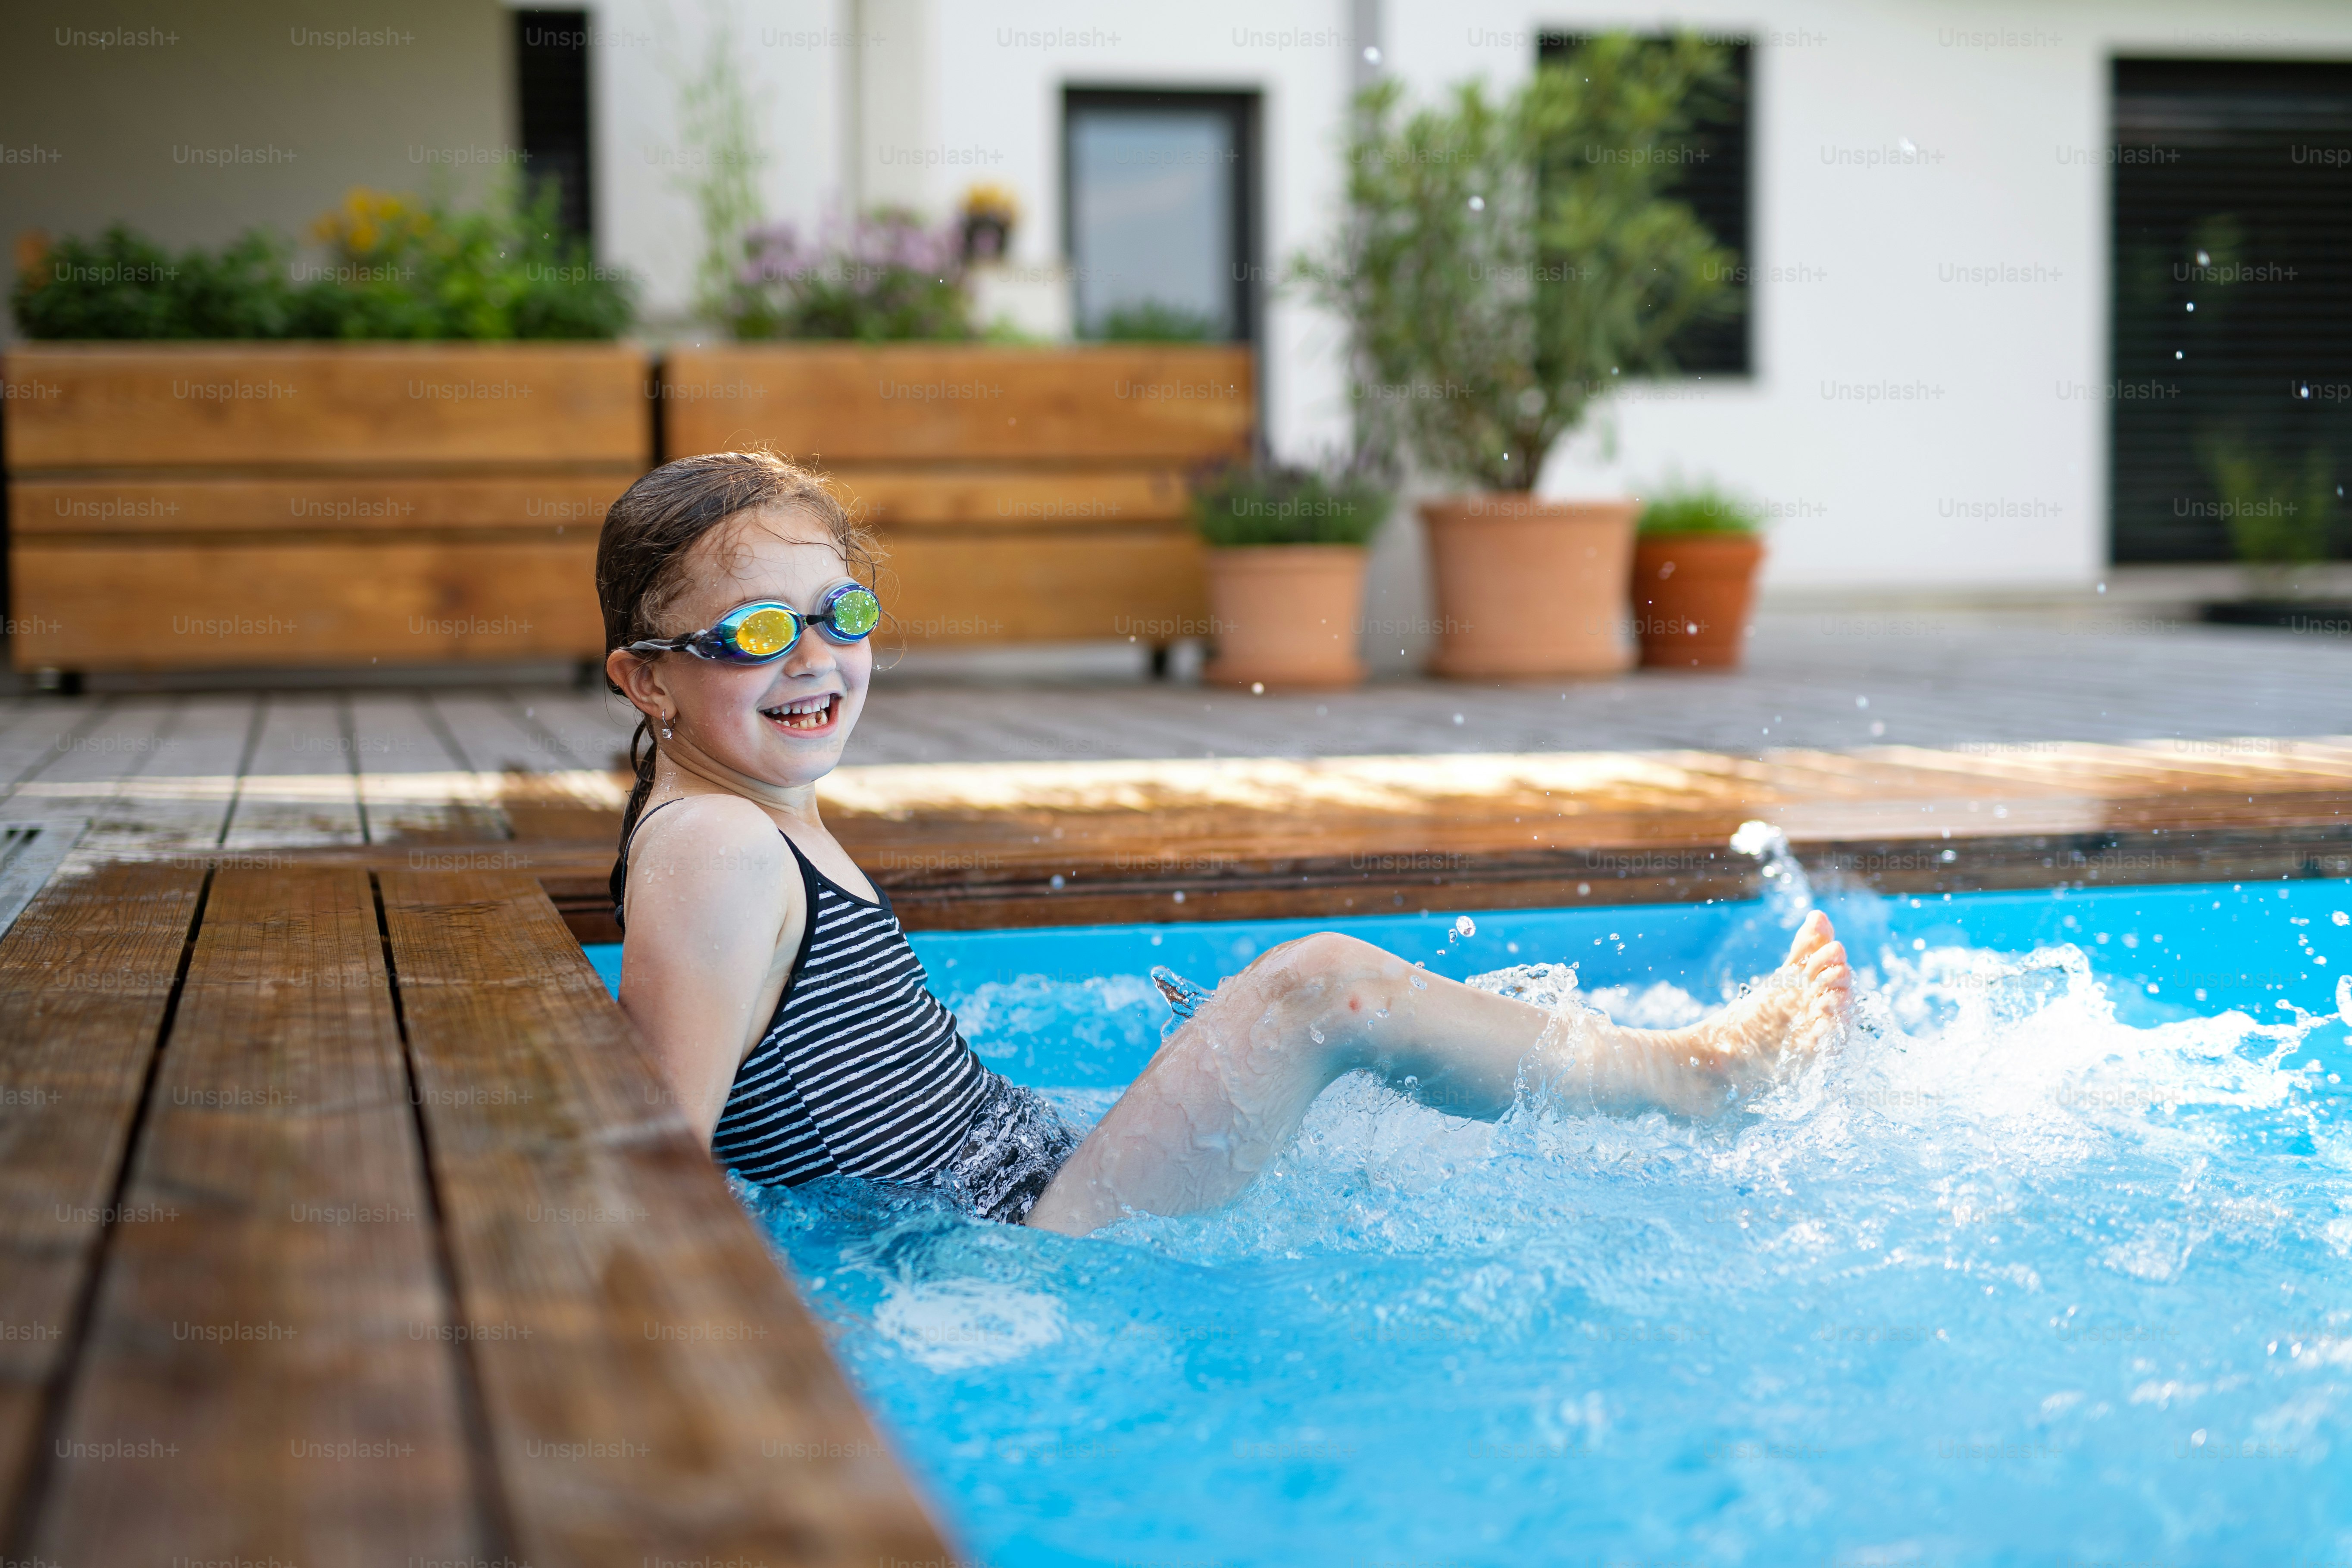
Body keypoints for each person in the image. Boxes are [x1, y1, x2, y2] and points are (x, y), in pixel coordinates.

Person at [600, 452, 1854, 1237]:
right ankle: (1699, 1077)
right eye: (758, 632)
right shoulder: (718, 846)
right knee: (1319, 989)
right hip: (1022, 1231)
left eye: (842, 612)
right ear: (646, 682)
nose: (816, 656)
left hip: (1026, 1172)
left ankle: (1664, 1073)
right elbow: (660, 1162)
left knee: (1294, 1036)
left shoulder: (749, 817)